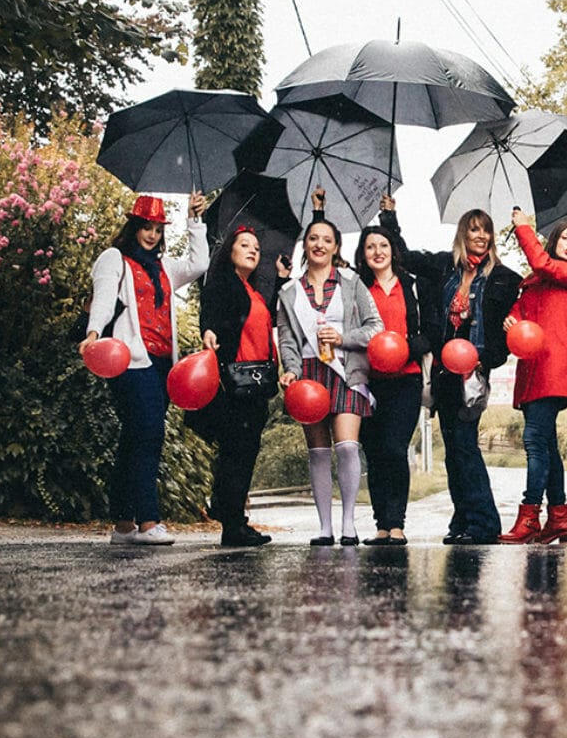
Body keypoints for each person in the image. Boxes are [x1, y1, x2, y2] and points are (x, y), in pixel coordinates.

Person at [381, 200, 520, 545]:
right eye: (474, 229)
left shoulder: (503, 279)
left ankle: (484, 522)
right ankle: (462, 520)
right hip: (444, 373)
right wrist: (390, 217)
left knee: (465, 445)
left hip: (471, 374)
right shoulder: (445, 267)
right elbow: (404, 255)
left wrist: (486, 361)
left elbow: (507, 332)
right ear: (463, 234)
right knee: (454, 450)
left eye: (486, 230)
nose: (481, 236)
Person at [79, 191, 208, 545]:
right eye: (146, 227)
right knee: (149, 432)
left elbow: (199, 264)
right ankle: (149, 521)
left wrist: (195, 221)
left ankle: (123, 524)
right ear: (133, 226)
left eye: (157, 229)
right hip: (129, 360)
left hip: (162, 363)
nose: (152, 235)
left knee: (134, 437)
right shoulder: (114, 259)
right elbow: (104, 298)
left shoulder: (165, 267)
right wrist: (93, 332)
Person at [275, 213, 383, 546]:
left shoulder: (352, 282)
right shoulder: (289, 291)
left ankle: (349, 523)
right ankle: (325, 527)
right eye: (313, 238)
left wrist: (342, 336)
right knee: (318, 452)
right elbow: (288, 338)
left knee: (348, 447)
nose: (319, 244)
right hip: (309, 374)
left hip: (346, 369)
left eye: (326, 239)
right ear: (305, 245)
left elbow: (375, 327)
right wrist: (290, 369)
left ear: (336, 247)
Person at [499, 211, 567, 545]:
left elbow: (542, 263)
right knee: (548, 447)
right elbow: (522, 310)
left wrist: (523, 226)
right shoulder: (536, 280)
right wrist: (512, 319)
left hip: (553, 367)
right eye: (566, 238)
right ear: (555, 240)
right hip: (530, 369)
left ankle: (529, 518)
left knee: (535, 441)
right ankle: (559, 520)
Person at [198, 225, 290, 546]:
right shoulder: (223, 283)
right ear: (230, 252)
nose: (253, 250)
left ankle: (232, 515)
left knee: (244, 452)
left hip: (256, 383)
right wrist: (207, 330)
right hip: (234, 381)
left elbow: (267, 316)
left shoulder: (251, 290)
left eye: (256, 247)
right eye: (245, 245)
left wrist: (279, 279)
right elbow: (209, 308)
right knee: (237, 452)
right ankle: (232, 522)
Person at [353, 214, 441, 545]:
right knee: (374, 452)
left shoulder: (414, 284)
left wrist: (406, 350)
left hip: (407, 377)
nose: (378, 251)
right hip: (369, 380)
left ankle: (397, 524)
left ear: (393, 249)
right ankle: (381, 525)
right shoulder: (357, 287)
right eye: (371, 246)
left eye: (383, 245)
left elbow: (432, 330)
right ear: (363, 254)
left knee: (394, 447)